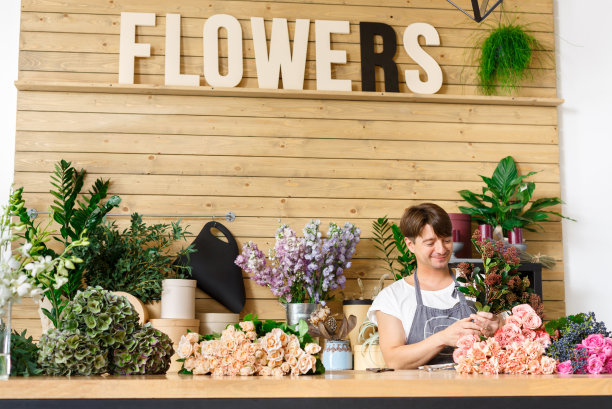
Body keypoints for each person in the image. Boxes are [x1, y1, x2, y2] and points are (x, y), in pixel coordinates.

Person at [367, 203, 502, 369]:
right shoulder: (392, 297)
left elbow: (512, 339)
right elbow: (394, 360)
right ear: (410, 245)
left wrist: (499, 326)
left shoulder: (478, 283)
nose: (441, 249)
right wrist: (443, 337)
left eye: (446, 240)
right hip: (419, 394)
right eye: (430, 243)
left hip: (475, 391)